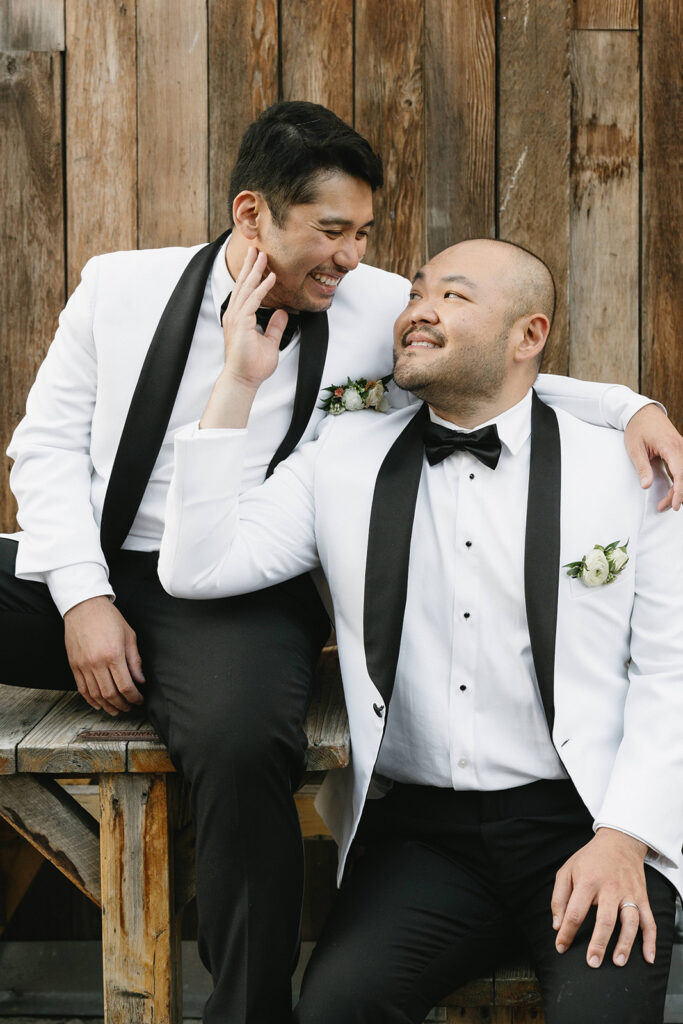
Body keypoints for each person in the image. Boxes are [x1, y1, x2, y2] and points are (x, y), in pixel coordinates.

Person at [0, 100, 680, 1022]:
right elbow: (41, 449)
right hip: (85, 560)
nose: (356, 257)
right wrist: (81, 595)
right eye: (331, 230)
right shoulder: (117, 288)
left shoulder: (378, 306)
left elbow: (489, 367)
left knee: (242, 741)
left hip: (230, 587)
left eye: (364, 232)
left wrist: (626, 406)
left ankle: (244, 1010)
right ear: (253, 216)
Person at [158, 238, 683, 1024]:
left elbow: (671, 673)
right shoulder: (341, 453)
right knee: (333, 1012)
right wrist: (235, 382)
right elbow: (196, 568)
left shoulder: (628, 469)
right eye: (415, 292)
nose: (419, 311)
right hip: (419, 841)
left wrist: (625, 837)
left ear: (527, 336)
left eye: (455, 296)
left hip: (586, 825)